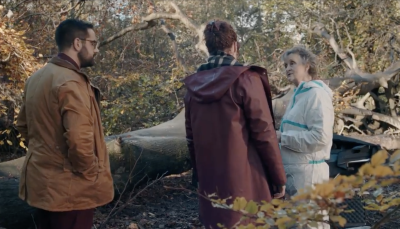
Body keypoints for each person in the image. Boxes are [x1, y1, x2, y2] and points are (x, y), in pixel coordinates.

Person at [183, 19, 287, 228]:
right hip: (248, 181)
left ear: (208, 47)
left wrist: (199, 176)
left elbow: (191, 138)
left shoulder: (192, 87)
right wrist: (278, 177)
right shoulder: (246, 79)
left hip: (210, 180)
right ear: (235, 46)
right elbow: (264, 133)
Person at [16, 19, 114, 229]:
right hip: (71, 190)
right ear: (78, 43)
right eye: (93, 43)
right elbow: (79, 141)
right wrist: (91, 174)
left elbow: (24, 126)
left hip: (42, 185)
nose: (96, 50)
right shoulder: (71, 81)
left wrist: (47, 157)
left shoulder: (36, 78)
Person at [278, 46, 334, 229]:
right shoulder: (299, 95)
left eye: (292, 63)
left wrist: (281, 137)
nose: (287, 68)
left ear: (307, 65)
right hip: (296, 179)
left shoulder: (316, 94)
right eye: (285, 65)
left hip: (310, 180)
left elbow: (320, 137)